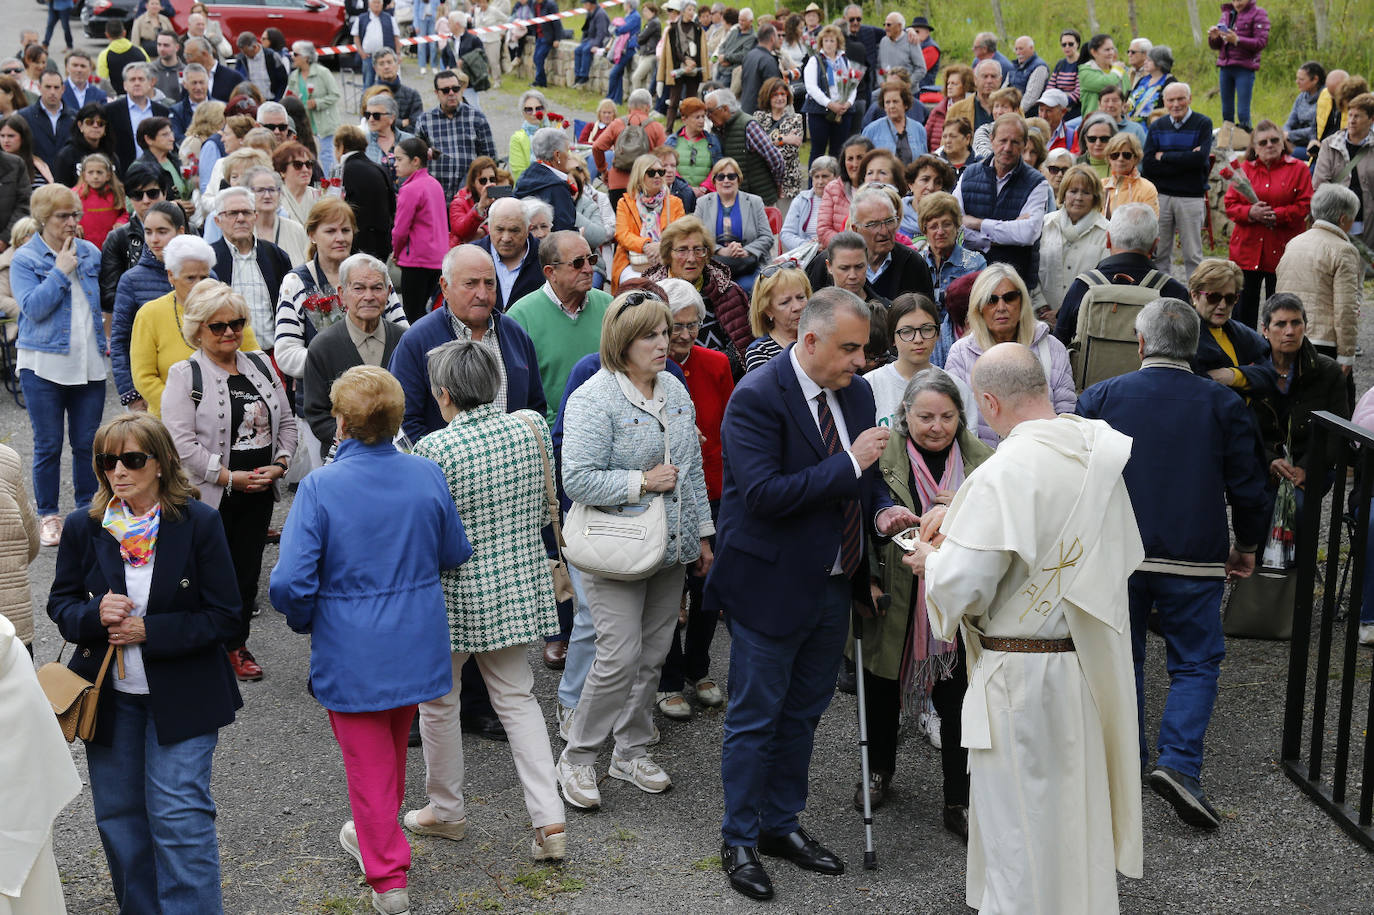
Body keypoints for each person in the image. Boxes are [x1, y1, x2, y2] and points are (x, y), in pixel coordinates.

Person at [910, 342, 1143, 913]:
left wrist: (929, 559)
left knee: (1018, 826)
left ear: (987, 400)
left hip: (1018, 677)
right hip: (1084, 661)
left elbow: (963, 585)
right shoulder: (1096, 455)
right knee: (1071, 816)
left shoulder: (1003, 474)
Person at [711, 288, 917, 901]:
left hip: (836, 581)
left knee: (804, 712)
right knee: (755, 718)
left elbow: (869, 478)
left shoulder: (854, 393)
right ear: (810, 341)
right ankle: (740, 838)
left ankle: (780, 825)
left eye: (863, 349)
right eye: (850, 348)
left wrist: (883, 513)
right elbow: (765, 495)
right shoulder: (755, 398)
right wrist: (850, 466)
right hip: (769, 585)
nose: (861, 361)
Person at [269, 364, 469, 915]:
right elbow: (455, 550)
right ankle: (371, 835)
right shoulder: (426, 474)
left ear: (340, 424)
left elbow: (289, 582)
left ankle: (388, 876)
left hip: (352, 645)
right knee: (388, 751)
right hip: (418, 635)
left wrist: (306, 618)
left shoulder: (320, 487)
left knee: (368, 760)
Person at [1076, 296, 1267, 833]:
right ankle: (1179, 764)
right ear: (1195, 347)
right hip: (1195, 554)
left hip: (1120, 553)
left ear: (1140, 343)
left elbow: (1077, 477)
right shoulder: (1222, 404)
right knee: (1196, 661)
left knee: (1122, 656)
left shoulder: (1101, 397)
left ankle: (1122, 762)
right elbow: (1248, 486)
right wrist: (1247, 544)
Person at [47, 411, 242, 914]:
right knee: (120, 822)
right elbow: (62, 606)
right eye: (107, 461)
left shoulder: (198, 522)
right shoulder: (84, 526)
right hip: (110, 704)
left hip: (185, 697)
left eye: (132, 459)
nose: (118, 470)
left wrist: (149, 631)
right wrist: (94, 613)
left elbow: (225, 617)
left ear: (161, 464)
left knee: (179, 819)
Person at [403, 339, 568, 860]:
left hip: (453, 592)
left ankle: (446, 809)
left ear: (444, 394)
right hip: (519, 582)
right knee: (519, 701)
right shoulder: (529, 428)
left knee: (439, 700)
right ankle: (550, 820)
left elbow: (427, 531)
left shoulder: (433, 450)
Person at [555, 288, 715, 810]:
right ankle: (577, 758)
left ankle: (631, 750)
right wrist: (641, 482)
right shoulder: (593, 397)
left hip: (670, 549)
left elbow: (689, 472)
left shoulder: (674, 388)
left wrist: (702, 535)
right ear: (622, 342)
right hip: (614, 551)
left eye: (665, 332)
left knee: (651, 655)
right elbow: (575, 478)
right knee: (617, 657)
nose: (664, 342)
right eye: (650, 334)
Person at [857, 361, 987, 825]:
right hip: (896, 593)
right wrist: (867, 572)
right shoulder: (881, 453)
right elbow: (862, 516)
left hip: (956, 604)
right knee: (882, 690)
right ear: (905, 414)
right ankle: (878, 772)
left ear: (960, 416)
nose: (937, 428)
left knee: (958, 699)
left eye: (947, 417)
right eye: (925, 417)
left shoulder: (984, 462)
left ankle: (958, 798)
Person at [162, 280, 295, 682]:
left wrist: (282, 463)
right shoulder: (186, 374)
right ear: (197, 330)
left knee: (245, 571)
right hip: (209, 495)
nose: (229, 332)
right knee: (204, 573)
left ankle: (236, 644)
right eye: (217, 326)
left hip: (258, 490)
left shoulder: (259, 363)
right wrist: (227, 477)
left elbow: (286, 423)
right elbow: (180, 443)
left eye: (236, 323)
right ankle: (202, 645)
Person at [652, 278, 733, 720]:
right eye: (676, 326)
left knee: (707, 586)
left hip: (712, 488)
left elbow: (727, 429)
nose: (684, 335)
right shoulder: (652, 367)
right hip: (667, 489)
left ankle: (699, 667)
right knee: (668, 588)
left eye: (693, 325)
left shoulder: (717, 363)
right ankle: (668, 677)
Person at [13, 184, 105, 547]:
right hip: (42, 364)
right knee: (48, 444)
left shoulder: (91, 252)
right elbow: (32, 308)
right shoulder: (25, 258)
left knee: (87, 443)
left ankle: (85, 511)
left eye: (74, 215)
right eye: (62, 216)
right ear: (42, 219)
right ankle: (48, 515)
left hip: (89, 362)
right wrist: (60, 271)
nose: (71, 223)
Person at [390, 243, 546, 445]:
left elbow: (535, 406)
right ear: (445, 286)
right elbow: (404, 420)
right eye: (471, 284)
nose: (482, 294)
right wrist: (445, 461)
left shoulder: (515, 334)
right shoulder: (417, 341)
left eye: (489, 283)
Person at [943, 264, 1076, 446]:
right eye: (991, 300)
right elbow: (954, 418)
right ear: (979, 306)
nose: (1001, 307)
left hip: (1039, 459)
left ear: (1022, 302)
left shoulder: (1052, 349)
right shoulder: (961, 353)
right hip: (981, 466)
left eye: (1010, 297)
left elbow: (1066, 416)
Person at [130, 235, 260, 415]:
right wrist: (184, 408)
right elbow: (143, 377)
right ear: (171, 276)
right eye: (190, 278)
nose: (199, 285)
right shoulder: (149, 314)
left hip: (229, 414)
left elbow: (253, 358)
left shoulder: (229, 307)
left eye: (204, 277)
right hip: (171, 420)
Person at [301, 253, 406, 461]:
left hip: (396, 457)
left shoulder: (403, 340)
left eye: (377, 288)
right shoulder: (323, 347)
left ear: (388, 292)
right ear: (342, 293)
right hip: (344, 458)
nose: (369, 296)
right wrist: (358, 443)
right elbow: (317, 414)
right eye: (359, 288)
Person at [1251, 292, 1349, 508]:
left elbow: (1337, 431)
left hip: (1311, 464)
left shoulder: (1327, 371)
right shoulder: (1250, 370)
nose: (1289, 331)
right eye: (1280, 324)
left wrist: (1306, 467)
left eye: (1296, 323)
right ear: (1265, 330)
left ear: (1306, 325)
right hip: (1259, 462)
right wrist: (1269, 461)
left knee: (1297, 507)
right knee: (1257, 508)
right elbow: (1242, 426)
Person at [508, 231, 614, 425]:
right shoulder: (520, 317)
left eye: (591, 259)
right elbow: (521, 389)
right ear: (550, 272)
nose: (589, 269)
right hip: (551, 433)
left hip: (608, 426)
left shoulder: (609, 306)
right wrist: (555, 431)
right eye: (578, 263)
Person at [1053, 202, 1190, 346]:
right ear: (1155, 245)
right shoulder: (1173, 292)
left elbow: (1058, 344)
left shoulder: (1084, 286)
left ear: (1108, 240)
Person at [1275, 183, 1362, 397]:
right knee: (1337, 410)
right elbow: (1346, 308)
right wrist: (1346, 355)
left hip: (1289, 336)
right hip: (1324, 343)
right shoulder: (1344, 250)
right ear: (1343, 219)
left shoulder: (1294, 243)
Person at [1223, 121, 1313, 329]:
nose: (1269, 145)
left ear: (1283, 143)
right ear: (1254, 147)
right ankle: (1244, 356)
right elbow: (1230, 205)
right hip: (1247, 251)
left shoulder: (1299, 169)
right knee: (1242, 312)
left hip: (1283, 252)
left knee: (1281, 313)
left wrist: (1276, 215)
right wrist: (1250, 212)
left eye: (1274, 140)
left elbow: (1305, 205)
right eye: (1263, 142)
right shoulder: (1243, 170)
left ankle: (1277, 357)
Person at [953, 114, 1051, 292]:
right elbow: (955, 225)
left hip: (1014, 284)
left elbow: (1028, 234)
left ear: (1024, 144)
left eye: (1015, 142)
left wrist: (978, 224)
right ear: (991, 140)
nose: (1007, 148)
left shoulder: (1037, 183)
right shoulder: (968, 175)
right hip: (969, 279)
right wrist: (1003, 236)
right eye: (1003, 140)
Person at [111, 201, 186, 409]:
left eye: (162, 231)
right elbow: (119, 341)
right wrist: (132, 395)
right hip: (148, 394)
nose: (154, 239)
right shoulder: (131, 280)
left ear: (180, 231)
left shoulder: (203, 274)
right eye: (148, 232)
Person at [642, 215, 750, 356]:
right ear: (668, 254)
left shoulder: (728, 292)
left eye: (698, 250)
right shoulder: (649, 297)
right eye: (682, 250)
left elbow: (742, 349)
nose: (691, 258)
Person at [1142, 83, 1213, 282]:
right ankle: (1162, 293)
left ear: (1189, 99)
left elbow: (1200, 160)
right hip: (1162, 196)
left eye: (1180, 98)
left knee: (1193, 254)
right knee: (1161, 252)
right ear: (1164, 102)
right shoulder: (1157, 126)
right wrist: (1187, 158)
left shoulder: (1203, 124)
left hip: (1191, 197)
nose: (1176, 104)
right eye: (1171, 100)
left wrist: (1164, 157)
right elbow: (1148, 165)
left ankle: (1196, 296)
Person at [1188, 257, 1278, 398]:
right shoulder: (1182, 336)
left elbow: (1271, 374)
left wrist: (1233, 376)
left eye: (1230, 299)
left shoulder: (1242, 333)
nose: (1223, 305)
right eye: (1214, 297)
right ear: (1195, 296)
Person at [413, 70, 495, 205]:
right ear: (437, 93)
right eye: (445, 90)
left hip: (469, 198)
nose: (451, 93)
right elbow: (417, 161)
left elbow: (490, 158)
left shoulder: (477, 118)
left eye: (455, 89)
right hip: (434, 197)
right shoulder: (424, 120)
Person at [1038, 165, 1109, 319]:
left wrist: (1064, 313)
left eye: (1086, 192)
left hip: (1084, 319)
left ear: (1095, 197)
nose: (1078, 197)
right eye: (1073, 191)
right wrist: (1041, 306)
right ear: (1063, 194)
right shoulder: (1044, 224)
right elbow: (1031, 269)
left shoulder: (1106, 232)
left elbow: (1104, 284)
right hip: (1041, 317)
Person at [695, 156, 773, 293]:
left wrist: (746, 251)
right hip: (713, 265)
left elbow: (767, 237)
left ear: (739, 179)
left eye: (731, 176)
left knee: (745, 288)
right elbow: (696, 238)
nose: (726, 180)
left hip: (748, 265)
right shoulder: (703, 203)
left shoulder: (755, 202)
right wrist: (720, 250)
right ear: (714, 181)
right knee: (712, 288)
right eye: (721, 177)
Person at [391, 136, 447, 323]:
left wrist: (396, 252)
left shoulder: (410, 189)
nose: (395, 164)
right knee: (429, 312)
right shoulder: (434, 184)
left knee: (412, 315)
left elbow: (400, 230)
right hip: (437, 258)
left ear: (415, 161)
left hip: (416, 260)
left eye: (399, 159)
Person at [1311, 91, 1374, 255]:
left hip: (1367, 222)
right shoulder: (1330, 144)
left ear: (1371, 119)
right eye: (1350, 115)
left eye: (1358, 116)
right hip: (1335, 220)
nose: (1352, 121)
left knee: (1359, 272)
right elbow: (1319, 185)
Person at [612, 153, 684, 290]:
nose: (657, 176)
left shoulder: (675, 203)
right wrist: (646, 245)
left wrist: (661, 246)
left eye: (660, 172)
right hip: (631, 263)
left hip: (667, 260)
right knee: (635, 288)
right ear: (640, 176)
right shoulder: (625, 202)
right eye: (651, 172)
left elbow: (680, 234)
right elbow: (622, 234)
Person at [704, 88, 784, 209]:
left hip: (760, 199)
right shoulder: (717, 129)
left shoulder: (749, 126)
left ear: (725, 109)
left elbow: (776, 159)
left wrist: (777, 185)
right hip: (735, 199)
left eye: (710, 111)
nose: (708, 116)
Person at [333, 125, 395, 263]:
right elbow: (392, 207)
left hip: (356, 243)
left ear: (341, 147)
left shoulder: (343, 171)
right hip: (383, 241)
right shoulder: (380, 169)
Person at [916, 191, 986, 308]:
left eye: (946, 224)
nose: (940, 232)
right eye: (933, 226)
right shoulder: (915, 262)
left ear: (957, 226)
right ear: (925, 230)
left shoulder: (975, 263)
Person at [1208, 0, 1270, 132]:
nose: (1237, 3)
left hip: (1245, 68)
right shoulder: (1226, 13)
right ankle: (1227, 144)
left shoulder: (1259, 14)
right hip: (1225, 67)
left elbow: (1261, 42)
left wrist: (1237, 40)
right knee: (1226, 112)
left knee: (1243, 112)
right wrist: (1214, 38)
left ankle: (1247, 143)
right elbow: (1217, 45)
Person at [802, 25, 858, 166]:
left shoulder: (845, 60)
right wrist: (829, 104)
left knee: (839, 151)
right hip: (820, 112)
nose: (828, 44)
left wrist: (848, 103)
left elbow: (853, 85)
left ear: (837, 42)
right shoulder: (815, 60)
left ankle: (837, 184)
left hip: (843, 112)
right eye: (826, 40)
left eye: (832, 41)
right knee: (818, 151)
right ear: (821, 43)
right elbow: (811, 87)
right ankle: (813, 185)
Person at [476, 197, 541, 312]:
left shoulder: (545, 257)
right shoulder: (470, 256)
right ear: (489, 227)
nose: (506, 238)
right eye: (500, 230)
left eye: (514, 231)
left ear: (528, 229)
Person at [104, 63, 170, 175]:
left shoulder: (161, 111)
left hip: (157, 171)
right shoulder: (111, 111)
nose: (137, 83)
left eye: (141, 79)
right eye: (132, 80)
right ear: (125, 85)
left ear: (150, 83)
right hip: (123, 172)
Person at [743, 263, 811, 372]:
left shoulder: (823, 336)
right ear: (768, 311)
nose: (797, 307)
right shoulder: (760, 352)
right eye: (785, 302)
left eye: (801, 297)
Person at [288, 42, 341, 176]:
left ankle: (331, 182)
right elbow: (289, 96)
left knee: (327, 154)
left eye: (295, 54)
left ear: (306, 57)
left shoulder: (322, 72)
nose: (292, 57)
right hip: (305, 122)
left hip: (324, 120)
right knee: (307, 153)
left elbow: (335, 94)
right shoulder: (294, 76)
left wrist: (318, 103)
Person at [755, 77, 805, 213]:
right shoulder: (758, 117)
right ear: (768, 96)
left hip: (788, 181)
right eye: (775, 94)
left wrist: (768, 141)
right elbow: (756, 147)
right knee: (766, 223)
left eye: (783, 94)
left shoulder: (796, 119)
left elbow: (789, 152)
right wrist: (784, 138)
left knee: (785, 223)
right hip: (764, 180)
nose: (780, 98)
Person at [514, 127, 577, 233]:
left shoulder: (526, 176)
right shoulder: (557, 187)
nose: (569, 156)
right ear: (557, 155)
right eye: (567, 150)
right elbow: (565, 229)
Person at [815, 136, 873, 248]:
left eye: (860, 158)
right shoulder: (832, 189)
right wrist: (848, 247)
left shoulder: (879, 189)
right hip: (840, 253)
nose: (855, 164)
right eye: (850, 159)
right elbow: (824, 230)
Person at [659, 0, 707, 133]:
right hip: (678, 68)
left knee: (692, 102)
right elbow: (673, 49)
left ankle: (690, 130)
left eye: (693, 10)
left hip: (694, 69)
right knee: (674, 101)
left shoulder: (698, 29)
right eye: (689, 9)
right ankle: (668, 130)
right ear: (683, 11)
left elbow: (701, 50)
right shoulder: (673, 29)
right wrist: (685, 60)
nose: (691, 13)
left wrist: (693, 63)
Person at [862, 79, 928, 165]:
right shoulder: (871, 130)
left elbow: (924, 161)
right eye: (887, 102)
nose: (891, 106)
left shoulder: (919, 129)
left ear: (905, 104)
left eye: (895, 102)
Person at [779, 156, 838, 250]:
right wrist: (808, 246)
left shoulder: (842, 200)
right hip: (804, 253)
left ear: (836, 177)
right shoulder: (801, 200)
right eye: (816, 177)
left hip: (834, 251)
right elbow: (786, 234)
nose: (820, 182)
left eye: (825, 176)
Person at [20, 71, 73, 170]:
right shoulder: (24, 117)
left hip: (68, 178)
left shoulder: (75, 117)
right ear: (39, 88)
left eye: (56, 87)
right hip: (36, 177)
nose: (52, 92)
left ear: (63, 89)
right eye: (48, 87)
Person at [74, 153, 127, 250]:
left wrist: (121, 222)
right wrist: (75, 224)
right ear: (84, 175)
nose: (95, 176)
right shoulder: (75, 194)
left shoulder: (117, 192)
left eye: (99, 172)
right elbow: (67, 214)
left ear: (108, 175)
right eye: (91, 172)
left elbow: (125, 213)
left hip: (112, 246)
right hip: (83, 246)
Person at [1102, 132, 1158, 219]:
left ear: (1135, 158)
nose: (1120, 159)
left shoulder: (1147, 188)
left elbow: (1150, 225)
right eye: (1115, 155)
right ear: (1109, 159)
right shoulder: (1100, 186)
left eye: (1126, 155)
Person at [924, 63, 973, 150]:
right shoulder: (937, 111)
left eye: (954, 84)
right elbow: (925, 140)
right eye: (948, 83)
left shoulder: (973, 109)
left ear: (966, 86)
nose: (949, 87)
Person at [738, 22, 782, 118]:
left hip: (746, 109)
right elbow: (773, 89)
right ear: (772, 38)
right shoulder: (768, 60)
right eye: (778, 36)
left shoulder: (749, 55)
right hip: (760, 113)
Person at [1076, 33, 1124, 119]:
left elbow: (1127, 91)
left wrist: (1129, 103)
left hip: (1120, 119)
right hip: (1095, 122)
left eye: (1112, 49)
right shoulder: (1085, 72)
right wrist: (1117, 71)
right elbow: (1108, 84)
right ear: (1094, 52)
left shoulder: (1118, 69)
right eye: (1107, 50)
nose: (1111, 53)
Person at [354, 0, 400, 89]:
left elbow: (396, 37)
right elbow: (356, 37)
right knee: (368, 85)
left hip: (386, 58)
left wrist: (398, 54)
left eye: (378, 2)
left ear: (382, 4)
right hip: (368, 57)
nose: (376, 5)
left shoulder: (390, 18)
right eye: (374, 3)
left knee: (388, 84)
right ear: (369, 4)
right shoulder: (361, 18)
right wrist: (361, 53)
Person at [1128, 45, 1174, 122]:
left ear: (1160, 63)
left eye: (1149, 60)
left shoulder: (1170, 83)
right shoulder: (1143, 80)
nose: (1145, 62)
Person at [530, 0, 566, 89]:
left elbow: (557, 22)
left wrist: (557, 39)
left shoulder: (551, 4)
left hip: (548, 37)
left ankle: (540, 82)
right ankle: (541, 81)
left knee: (539, 58)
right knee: (536, 58)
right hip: (538, 36)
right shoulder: (534, 4)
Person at [1008, 35, 1048, 113]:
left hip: (1029, 114)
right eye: (1016, 49)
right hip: (1011, 109)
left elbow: (1031, 98)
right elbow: (1004, 89)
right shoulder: (1014, 65)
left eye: (1021, 49)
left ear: (1031, 48)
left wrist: (1016, 114)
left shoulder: (1040, 67)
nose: (1018, 52)